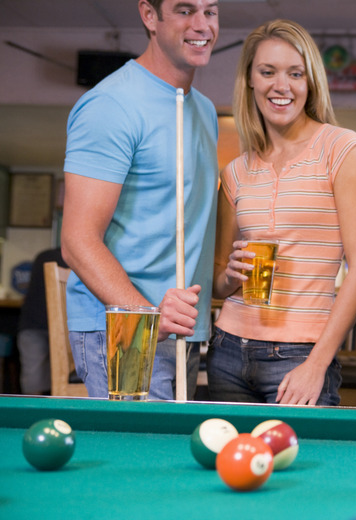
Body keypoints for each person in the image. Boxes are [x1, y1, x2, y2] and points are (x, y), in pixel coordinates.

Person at [208, 19, 356, 405]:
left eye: (295, 73)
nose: (280, 86)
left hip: (301, 354)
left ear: (310, 82)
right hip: (228, 351)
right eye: (267, 72)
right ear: (250, 80)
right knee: (230, 466)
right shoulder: (235, 171)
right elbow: (219, 285)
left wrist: (318, 364)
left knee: (303, 465)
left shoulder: (341, 149)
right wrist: (229, 276)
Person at [61, 0, 220, 400]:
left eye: (211, 11)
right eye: (185, 10)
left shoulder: (204, 110)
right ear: (149, 16)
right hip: (125, 328)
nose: (202, 25)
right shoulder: (111, 105)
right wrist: (148, 316)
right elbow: (78, 241)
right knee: (141, 459)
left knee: (170, 455)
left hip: (184, 326)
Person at [17, 248, 68, 395]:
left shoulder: (44, 256)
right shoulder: (67, 258)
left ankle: (32, 413)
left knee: (34, 379)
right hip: (42, 325)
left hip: (33, 324)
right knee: (37, 378)